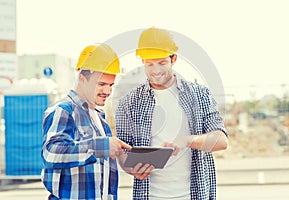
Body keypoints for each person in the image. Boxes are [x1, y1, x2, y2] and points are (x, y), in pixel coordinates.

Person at [115, 27, 228, 200]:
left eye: (162, 63)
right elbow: (123, 152)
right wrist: (129, 168)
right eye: (149, 64)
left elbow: (221, 141)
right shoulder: (128, 103)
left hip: (194, 195)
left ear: (173, 59)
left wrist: (187, 140)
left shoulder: (200, 95)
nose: (156, 71)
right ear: (143, 61)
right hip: (150, 195)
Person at [41, 43, 132, 200]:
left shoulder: (100, 120)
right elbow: (51, 153)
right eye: (101, 84)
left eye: (111, 85)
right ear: (82, 78)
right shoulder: (64, 110)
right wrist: (100, 146)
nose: (107, 91)